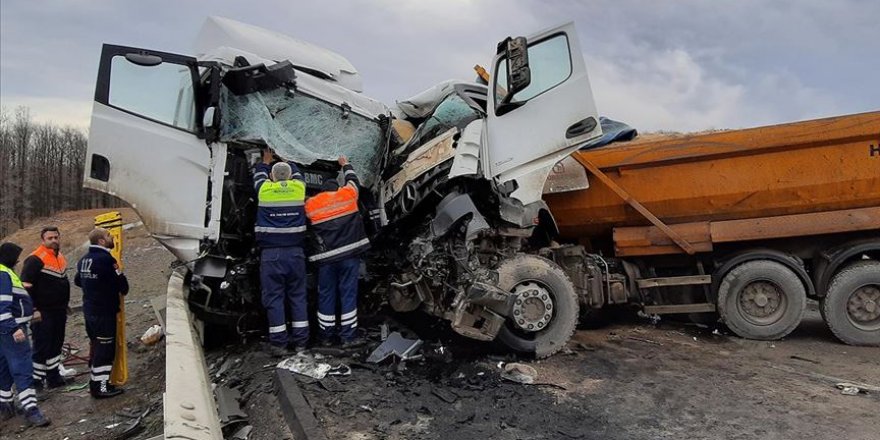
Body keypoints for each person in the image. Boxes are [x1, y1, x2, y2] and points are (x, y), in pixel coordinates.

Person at [305, 155, 370, 348]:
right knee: (347, 294)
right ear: (337, 187)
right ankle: (348, 337)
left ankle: (326, 336)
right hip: (349, 257)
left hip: (326, 260)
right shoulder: (348, 195)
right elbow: (353, 180)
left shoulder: (312, 204)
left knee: (326, 294)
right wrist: (345, 164)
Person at [254, 148, 309, 355]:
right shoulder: (298, 188)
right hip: (296, 253)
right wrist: (288, 158)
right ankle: (301, 342)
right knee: (298, 297)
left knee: (274, 298)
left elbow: (259, 175)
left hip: (271, 255)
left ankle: (279, 344)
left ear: (272, 176)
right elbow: (298, 175)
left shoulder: (264, 190)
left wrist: (266, 160)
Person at [74, 228, 128, 399]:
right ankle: (100, 387)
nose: (112, 238)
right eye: (109, 236)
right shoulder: (106, 260)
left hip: (89, 310)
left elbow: (78, 280)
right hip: (104, 311)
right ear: (102, 241)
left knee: (96, 346)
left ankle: (96, 383)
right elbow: (123, 286)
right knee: (105, 350)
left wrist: (93, 287)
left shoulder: (83, 260)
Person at [0, 242, 50, 426]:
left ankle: (5, 405)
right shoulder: (3, 274)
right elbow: (2, 305)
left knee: (4, 368)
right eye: (16, 257)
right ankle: (31, 410)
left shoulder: (4, 272)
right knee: (22, 368)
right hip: (11, 328)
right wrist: (14, 328)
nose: (18, 260)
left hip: (5, 327)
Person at [20, 226, 72, 389]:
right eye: (50, 238)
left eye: (56, 237)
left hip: (59, 309)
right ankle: (36, 380)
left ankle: (53, 376)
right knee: (42, 345)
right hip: (42, 311)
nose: (54, 240)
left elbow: (61, 282)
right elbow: (25, 287)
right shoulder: (35, 259)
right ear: (43, 240)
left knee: (56, 343)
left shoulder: (60, 257)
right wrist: (33, 310)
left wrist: (65, 304)